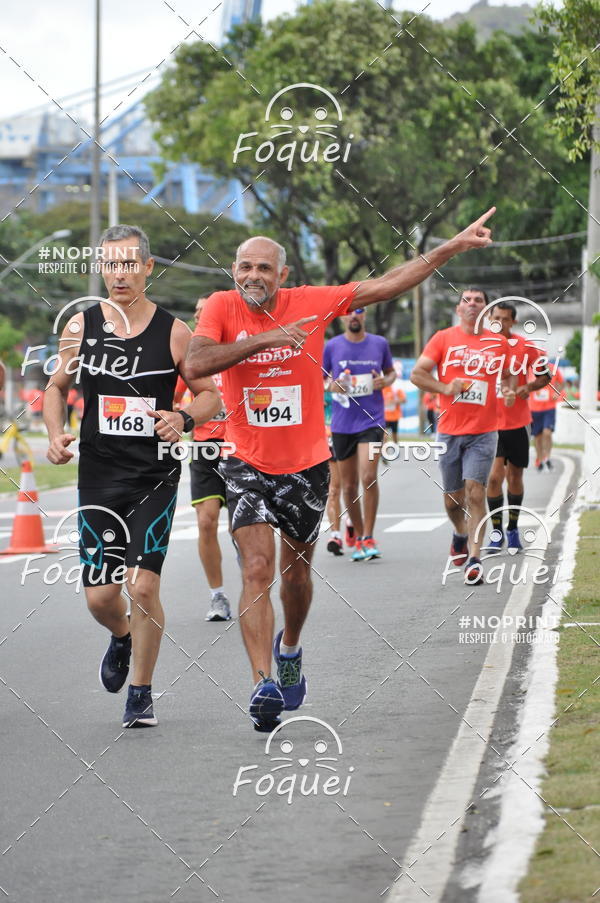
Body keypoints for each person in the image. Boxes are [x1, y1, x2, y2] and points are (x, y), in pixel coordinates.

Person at [185, 209, 496, 731]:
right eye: (244, 267)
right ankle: (262, 683)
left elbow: (389, 283)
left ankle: (289, 648)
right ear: (233, 271)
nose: (252, 276)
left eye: (264, 267)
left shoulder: (312, 301)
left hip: (306, 464)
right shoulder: (220, 307)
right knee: (256, 568)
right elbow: (195, 365)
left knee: (296, 577)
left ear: (282, 275)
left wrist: (448, 249)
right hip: (245, 460)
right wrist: (267, 339)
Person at [43, 225, 220, 729]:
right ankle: (121, 636)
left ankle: (140, 692)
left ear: (147, 268)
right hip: (99, 475)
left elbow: (211, 397)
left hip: (154, 476)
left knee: (143, 586)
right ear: (101, 268)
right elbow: (56, 388)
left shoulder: (174, 332)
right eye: (110, 264)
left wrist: (184, 418)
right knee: (102, 595)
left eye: (128, 264)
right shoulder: (80, 327)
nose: (119, 274)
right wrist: (56, 435)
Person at [410, 287, 516, 585]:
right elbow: (417, 374)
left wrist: (507, 390)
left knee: (475, 492)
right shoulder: (443, 338)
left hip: (484, 431)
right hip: (449, 431)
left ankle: (475, 558)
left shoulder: (498, 343)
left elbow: (509, 373)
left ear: (486, 309)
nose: (472, 305)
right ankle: (459, 533)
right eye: (466, 301)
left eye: (478, 301)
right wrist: (445, 388)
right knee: (452, 501)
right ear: (459, 309)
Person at [175, 297, 232, 621]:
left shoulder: (235, 351)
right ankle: (218, 596)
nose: (199, 320)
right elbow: (169, 400)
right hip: (204, 447)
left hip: (240, 447)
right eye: (195, 315)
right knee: (206, 520)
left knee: (245, 529)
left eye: (204, 314)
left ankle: (255, 582)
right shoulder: (190, 361)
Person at [323, 308, 396, 560]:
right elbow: (320, 380)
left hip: (372, 421)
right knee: (349, 485)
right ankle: (357, 534)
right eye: (348, 313)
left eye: (359, 311)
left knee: (368, 476)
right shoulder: (332, 347)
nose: (354, 316)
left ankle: (368, 536)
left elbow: (391, 372)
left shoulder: (379, 343)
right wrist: (332, 385)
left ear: (365, 315)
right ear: (341, 318)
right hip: (342, 424)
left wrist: (385, 381)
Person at [485, 301, 550, 552]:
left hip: (518, 422)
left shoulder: (525, 347)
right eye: (495, 318)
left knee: (515, 476)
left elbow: (545, 376)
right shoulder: (481, 347)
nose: (499, 323)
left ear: (513, 322)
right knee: (493, 478)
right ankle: (496, 531)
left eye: (504, 319)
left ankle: (513, 529)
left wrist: (528, 387)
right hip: (489, 424)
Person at [529, 362, 565, 470]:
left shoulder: (553, 368)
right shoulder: (530, 369)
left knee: (547, 433)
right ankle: (539, 458)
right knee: (538, 436)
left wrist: (557, 392)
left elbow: (561, 383)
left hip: (549, 407)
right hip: (534, 408)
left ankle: (547, 458)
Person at [324, 387, 344, 556]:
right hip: (326, 439)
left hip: (347, 434)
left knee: (351, 487)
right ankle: (335, 535)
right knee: (334, 490)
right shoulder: (312, 380)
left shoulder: (345, 376)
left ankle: (352, 521)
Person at [382, 378, 406, 443]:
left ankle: (396, 448)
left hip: (394, 416)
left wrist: (393, 401)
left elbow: (404, 400)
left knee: (394, 435)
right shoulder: (382, 390)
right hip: (385, 417)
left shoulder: (396, 389)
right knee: (384, 435)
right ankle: (383, 450)